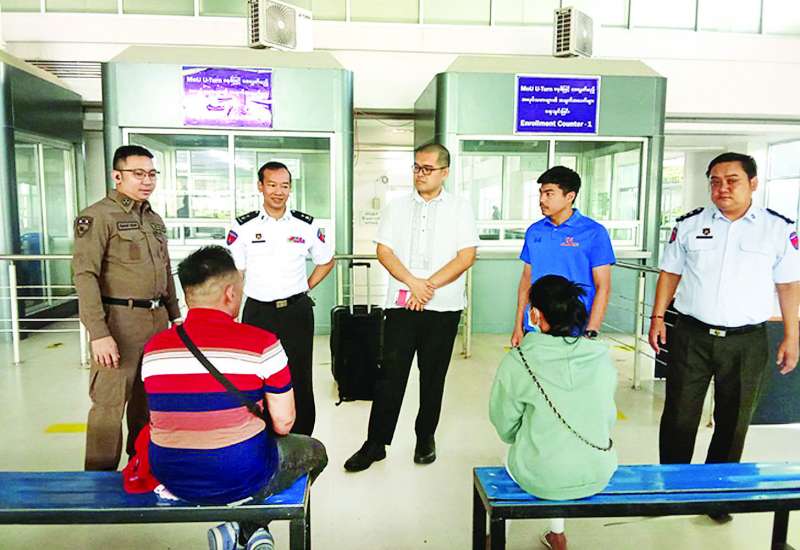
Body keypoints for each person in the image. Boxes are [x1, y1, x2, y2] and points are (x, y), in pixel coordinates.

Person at [142, 245, 327, 550]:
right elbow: (284, 423)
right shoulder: (263, 343)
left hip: (170, 474)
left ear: (187, 295)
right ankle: (247, 528)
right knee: (315, 451)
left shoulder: (154, 348)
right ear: (230, 293)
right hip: (239, 475)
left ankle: (242, 532)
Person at [649, 152, 800, 520]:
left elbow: (788, 286)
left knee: (733, 422)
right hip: (692, 335)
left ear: (753, 183)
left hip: (747, 341)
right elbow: (670, 273)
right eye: (715, 181)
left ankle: (717, 496)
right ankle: (671, 490)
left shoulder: (778, 229)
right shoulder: (689, 225)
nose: (722, 188)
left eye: (732, 180)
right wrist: (657, 317)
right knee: (679, 416)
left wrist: (792, 336)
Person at [344, 143, 479, 472]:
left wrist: (426, 285)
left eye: (427, 169)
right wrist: (412, 283)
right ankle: (376, 443)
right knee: (389, 376)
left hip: (443, 307)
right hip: (401, 304)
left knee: (433, 377)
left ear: (445, 172)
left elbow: (466, 256)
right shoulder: (397, 206)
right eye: (416, 167)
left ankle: (425, 437)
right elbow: (384, 251)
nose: (420, 174)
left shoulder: (460, 208)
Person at [72, 144, 181, 471]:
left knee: (147, 404)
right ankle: (98, 480)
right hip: (119, 323)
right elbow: (85, 275)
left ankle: (140, 467)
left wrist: (176, 316)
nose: (147, 181)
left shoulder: (154, 219)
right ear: (117, 176)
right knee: (109, 405)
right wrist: (99, 333)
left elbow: (166, 269)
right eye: (138, 174)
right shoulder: (98, 216)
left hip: (156, 320)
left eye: (151, 174)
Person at [490, 275, 617, 550]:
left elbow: (504, 426)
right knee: (560, 449)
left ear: (535, 315)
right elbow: (607, 420)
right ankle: (557, 535)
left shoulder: (518, 360)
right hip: (597, 470)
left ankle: (495, 539)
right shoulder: (601, 358)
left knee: (516, 456)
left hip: (542, 475)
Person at [227, 161, 334, 436]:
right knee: (255, 375)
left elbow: (326, 260)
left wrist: (305, 287)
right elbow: (236, 272)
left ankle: (302, 436)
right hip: (257, 312)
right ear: (260, 186)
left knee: (299, 374)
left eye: (284, 186)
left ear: (290, 188)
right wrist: (232, 310)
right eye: (272, 185)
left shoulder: (305, 225)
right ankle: (259, 432)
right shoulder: (243, 226)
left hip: (296, 311)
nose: (278, 191)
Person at [511, 166, 615, 346]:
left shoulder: (594, 233)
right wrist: (518, 325)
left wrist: (591, 332)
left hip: (575, 328)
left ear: (570, 196)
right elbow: (526, 280)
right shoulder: (534, 231)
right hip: (536, 326)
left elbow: (603, 286)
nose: (542, 200)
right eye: (541, 193)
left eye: (549, 194)